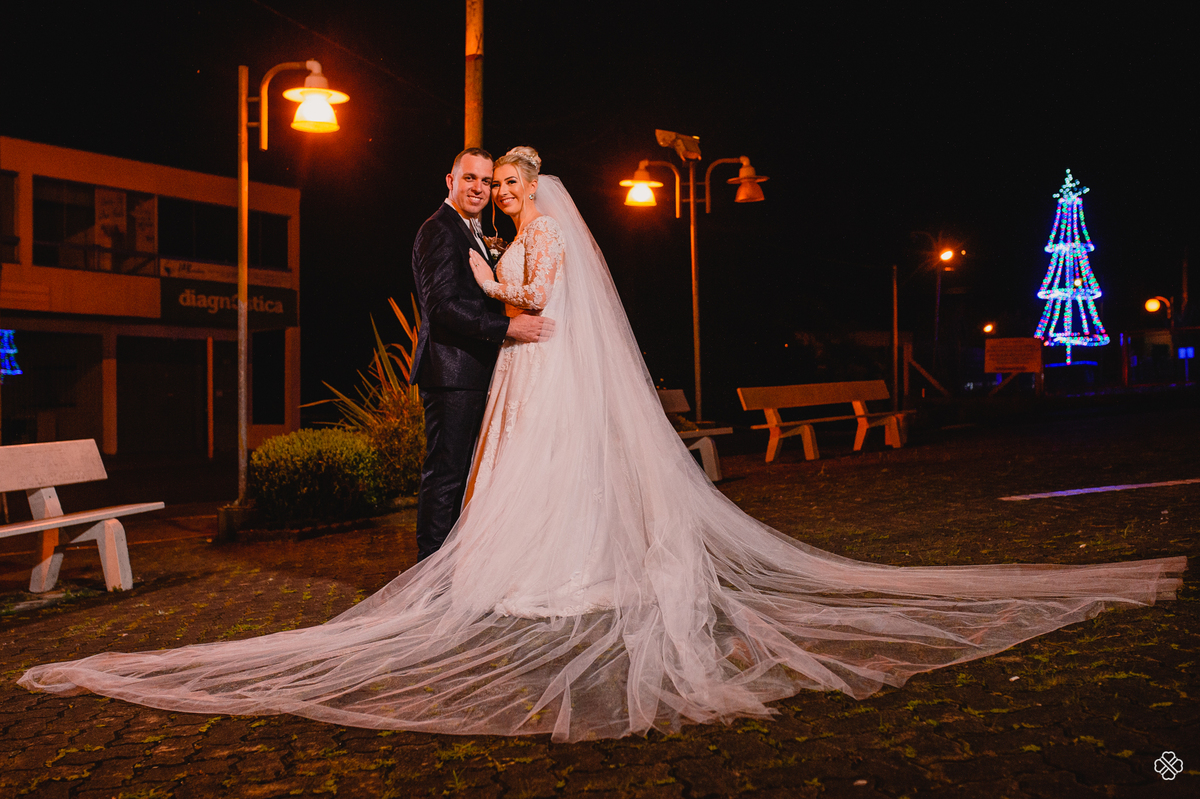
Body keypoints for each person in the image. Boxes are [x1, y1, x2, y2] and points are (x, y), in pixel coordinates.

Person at [19, 147, 1186, 744]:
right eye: (495, 182)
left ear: (531, 194)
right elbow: (469, 302)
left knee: (516, 478)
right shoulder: (458, 232)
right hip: (500, 377)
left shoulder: (531, 240)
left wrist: (521, 308)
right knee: (467, 478)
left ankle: (522, 571)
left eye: (513, 183)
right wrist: (507, 307)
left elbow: (537, 306)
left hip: (533, 377)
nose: (504, 193)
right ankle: (482, 571)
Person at [409, 147, 554, 560]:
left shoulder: (471, 229)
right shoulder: (438, 230)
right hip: (452, 375)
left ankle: (459, 568)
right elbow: (441, 308)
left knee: (472, 477)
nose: (480, 188)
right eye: (470, 178)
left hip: (480, 372)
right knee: (447, 474)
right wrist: (509, 326)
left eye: (486, 181)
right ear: (450, 181)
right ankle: (430, 576)